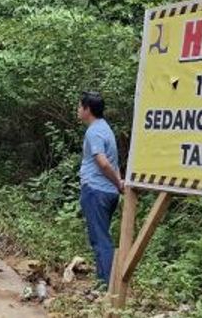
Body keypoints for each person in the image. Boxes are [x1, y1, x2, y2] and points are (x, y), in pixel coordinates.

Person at [77, 91, 123, 289]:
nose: (78, 110)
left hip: (96, 190)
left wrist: (117, 183)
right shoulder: (106, 129)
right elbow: (114, 162)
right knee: (102, 236)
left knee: (100, 239)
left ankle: (106, 286)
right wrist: (117, 183)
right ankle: (105, 281)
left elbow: (103, 163)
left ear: (88, 109)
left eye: (79, 106)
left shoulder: (94, 131)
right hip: (108, 192)